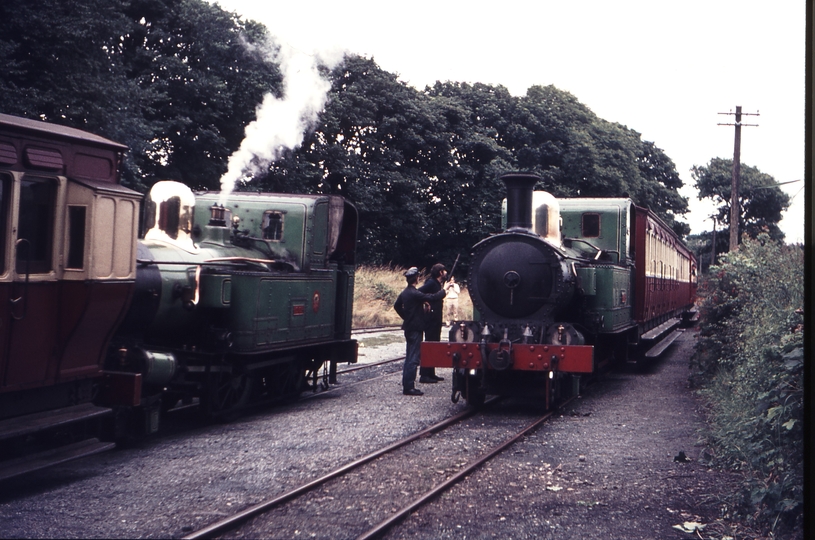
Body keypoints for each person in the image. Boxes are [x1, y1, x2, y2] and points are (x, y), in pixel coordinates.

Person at [393, 267, 446, 395]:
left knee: (409, 356)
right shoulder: (414, 293)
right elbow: (432, 297)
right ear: (416, 278)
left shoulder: (405, 293)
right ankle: (409, 387)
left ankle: (407, 384)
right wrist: (444, 291)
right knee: (413, 358)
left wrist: (406, 317)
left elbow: (396, 305)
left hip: (409, 327)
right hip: (415, 329)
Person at [417, 263, 447, 383]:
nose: (446, 273)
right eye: (444, 271)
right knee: (429, 345)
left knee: (434, 344)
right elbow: (419, 293)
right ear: (440, 272)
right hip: (430, 319)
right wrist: (427, 301)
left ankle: (431, 373)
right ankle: (424, 375)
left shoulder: (437, 283)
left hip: (436, 318)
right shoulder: (431, 283)